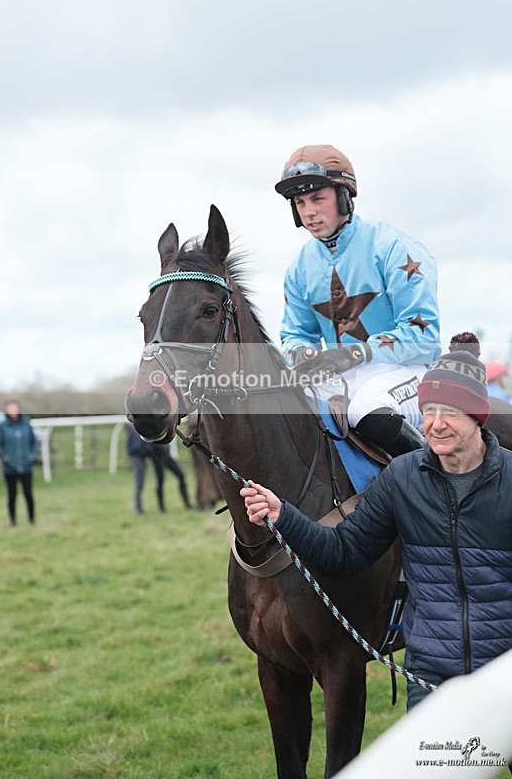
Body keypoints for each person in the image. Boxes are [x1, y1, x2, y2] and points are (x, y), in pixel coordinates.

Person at [240, 349, 512, 711]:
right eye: (428, 410)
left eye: (451, 411)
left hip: (503, 670)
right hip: (432, 676)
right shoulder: (402, 478)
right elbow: (345, 551)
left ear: (477, 416)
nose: (436, 423)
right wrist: (284, 516)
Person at [275, 144, 441, 456]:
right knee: (282, 403)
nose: (308, 211)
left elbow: (425, 336)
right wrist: (305, 357)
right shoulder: (300, 265)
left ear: (342, 197)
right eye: (300, 202)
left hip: (409, 370)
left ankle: (432, 479)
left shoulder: (395, 248)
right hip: (343, 376)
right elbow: (295, 334)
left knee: (367, 408)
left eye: (317, 199)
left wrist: (354, 354)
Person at [0, 399, 37, 525]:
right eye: (10, 408)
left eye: (14, 407)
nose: (12, 410)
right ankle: (13, 521)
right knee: (12, 495)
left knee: (28, 494)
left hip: (26, 466)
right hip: (10, 468)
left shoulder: (26, 423)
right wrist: (6, 458)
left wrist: (31, 456)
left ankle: (31, 520)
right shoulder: (3, 426)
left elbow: (33, 442)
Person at [151, 444, 193, 512]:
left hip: (167, 456)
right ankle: (161, 508)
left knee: (181, 475)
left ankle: (187, 503)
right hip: (158, 457)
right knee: (160, 481)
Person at [126, 422, 154, 514]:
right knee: (139, 483)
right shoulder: (134, 428)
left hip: (141, 457)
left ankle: (139, 507)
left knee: (140, 483)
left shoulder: (137, 427)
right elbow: (134, 445)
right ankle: (138, 508)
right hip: (137, 457)